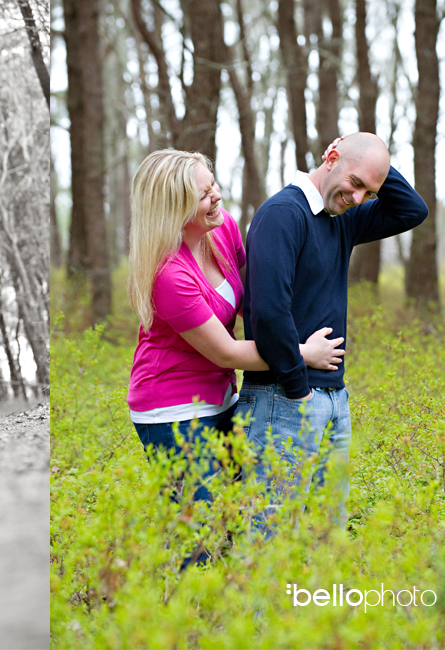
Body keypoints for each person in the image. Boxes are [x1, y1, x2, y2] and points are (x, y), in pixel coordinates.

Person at [127, 149, 344, 562]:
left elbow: (253, 301)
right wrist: (301, 354)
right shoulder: (169, 275)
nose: (217, 196)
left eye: (213, 185)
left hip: (222, 396)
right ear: (174, 208)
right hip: (172, 409)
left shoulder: (222, 227)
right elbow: (226, 351)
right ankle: (183, 600)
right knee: (201, 534)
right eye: (204, 195)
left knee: (234, 514)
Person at [238, 133, 428, 532]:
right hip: (281, 400)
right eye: (356, 183)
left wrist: (374, 166)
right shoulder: (282, 214)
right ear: (332, 157)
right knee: (269, 541)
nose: (357, 199)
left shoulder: (342, 219)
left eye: (369, 193)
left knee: (326, 538)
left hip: (333, 401)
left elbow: (412, 210)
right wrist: (299, 390)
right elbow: (269, 313)